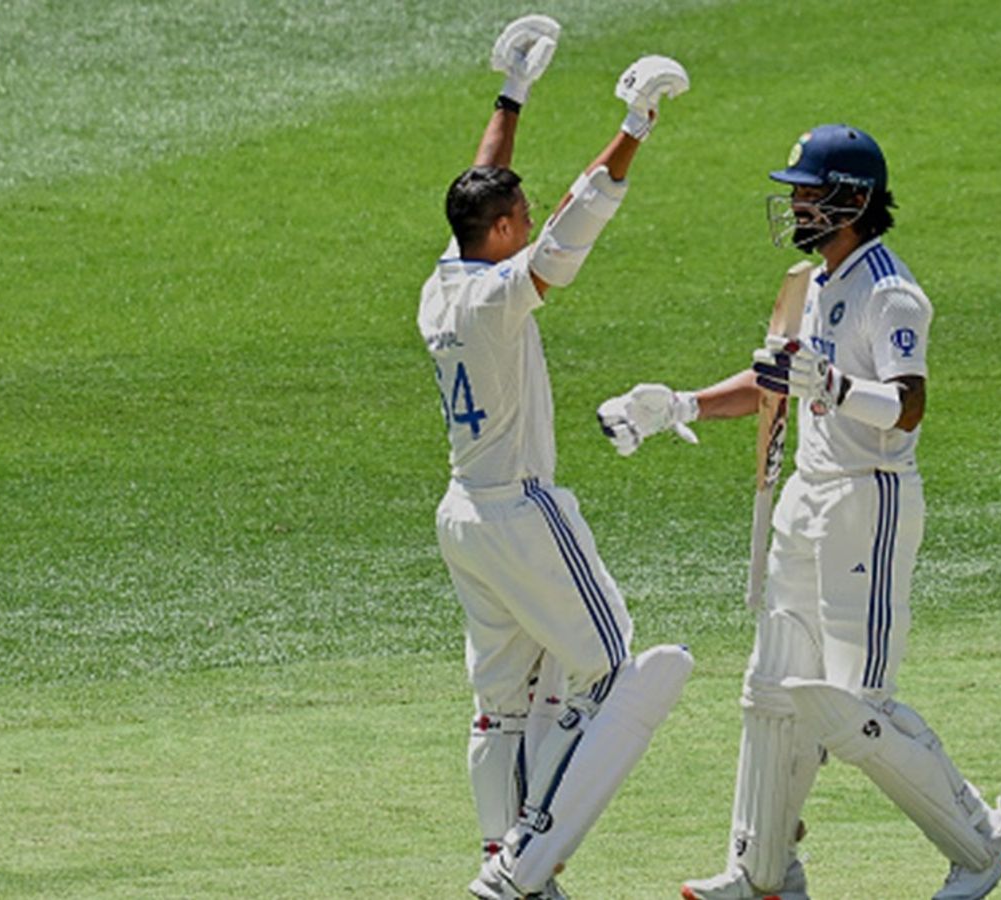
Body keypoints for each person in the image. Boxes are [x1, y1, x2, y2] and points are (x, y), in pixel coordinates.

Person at [596, 124, 1001, 900]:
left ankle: (984, 842)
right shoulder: (814, 281)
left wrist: (830, 388)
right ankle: (762, 873)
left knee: (852, 708)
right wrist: (677, 405)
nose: (795, 202)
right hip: (806, 497)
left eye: (808, 190)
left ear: (853, 200)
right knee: (772, 690)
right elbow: (777, 378)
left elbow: (907, 407)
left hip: (870, 503)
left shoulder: (891, 292)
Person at [418, 15, 694, 900]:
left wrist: (514, 92)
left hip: (463, 514)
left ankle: (502, 852)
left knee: (506, 702)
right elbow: (577, 221)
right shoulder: (499, 297)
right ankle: (529, 857)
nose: (528, 222)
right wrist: (636, 124)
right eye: (518, 219)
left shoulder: (444, 281)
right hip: (519, 511)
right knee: (610, 665)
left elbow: (477, 190)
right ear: (501, 233)